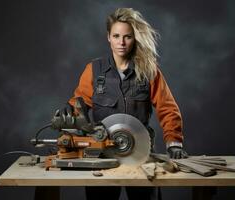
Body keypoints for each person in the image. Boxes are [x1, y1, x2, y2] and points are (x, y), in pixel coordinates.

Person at [53, 8, 188, 200]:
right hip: (102, 156)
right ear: (108, 37)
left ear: (135, 38)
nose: (121, 42)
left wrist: (174, 143)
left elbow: (167, 108)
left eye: (128, 36)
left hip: (141, 155)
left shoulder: (149, 71)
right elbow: (79, 105)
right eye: (116, 36)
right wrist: (70, 111)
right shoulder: (94, 70)